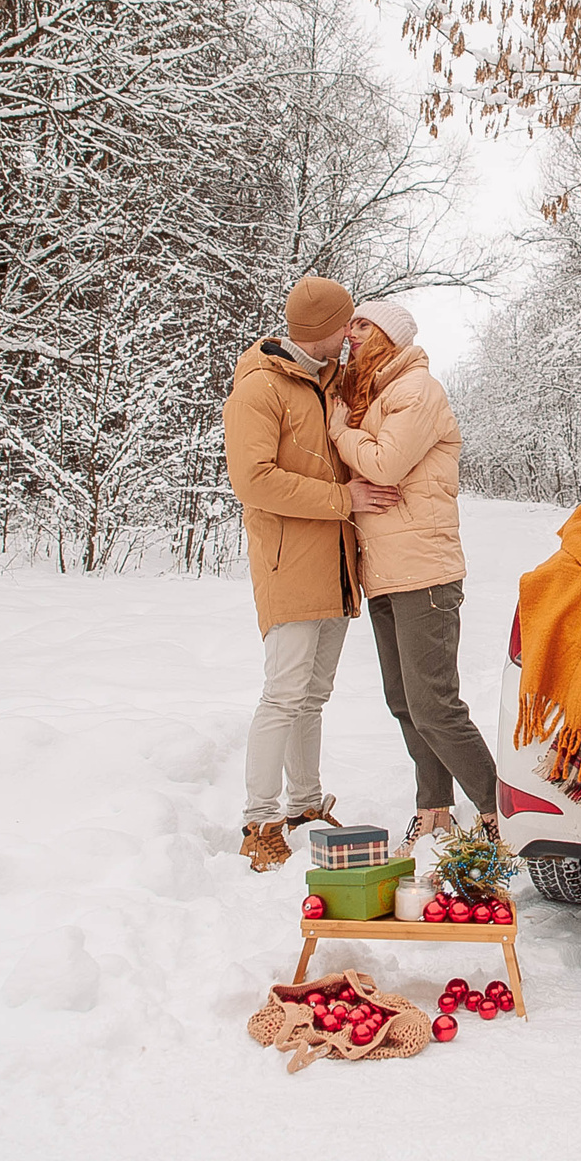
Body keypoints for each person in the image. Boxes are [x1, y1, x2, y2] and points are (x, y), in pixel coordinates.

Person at [223, 276, 400, 871]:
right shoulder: (260, 388)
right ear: (322, 330)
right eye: (344, 324)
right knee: (283, 695)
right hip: (289, 565)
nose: (351, 333)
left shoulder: (328, 381)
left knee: (312, 697)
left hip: (336, 565)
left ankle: (304, 804)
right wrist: (343, 499)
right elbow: (253, 481)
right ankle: (258, 821)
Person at [328, 299, 498, 851]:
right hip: (384, 572)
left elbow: (384, 464)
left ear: (388, 336)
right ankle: (433, 811)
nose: (350, 333)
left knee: (435, 706)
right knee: (404, 701)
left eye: (362, 324)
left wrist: (339, 430)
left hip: (424, 572)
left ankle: (499, 812)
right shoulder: (373, 393)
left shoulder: (417, 390)